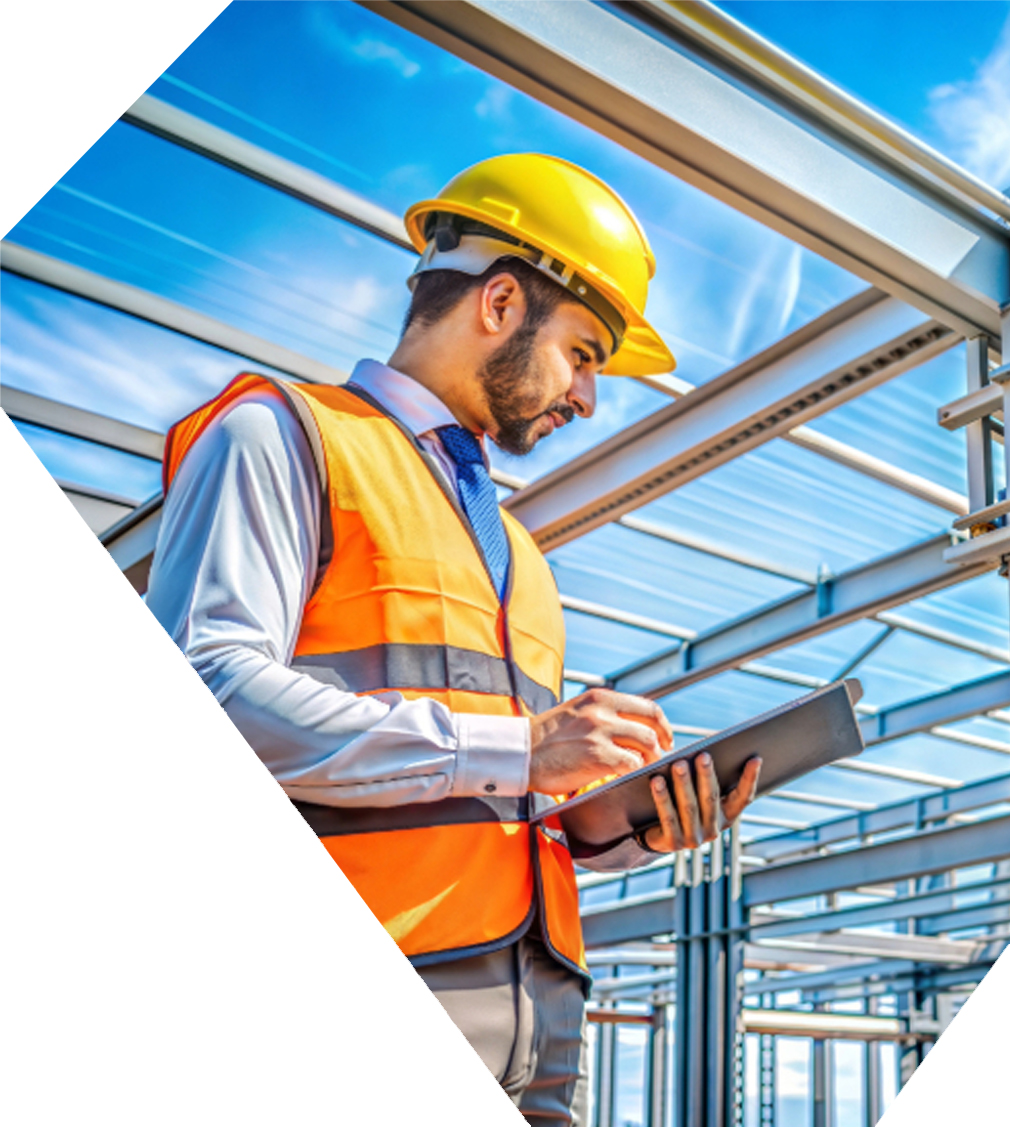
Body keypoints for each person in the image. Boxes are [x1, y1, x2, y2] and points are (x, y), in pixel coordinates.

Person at [147, 153, 760, 1125]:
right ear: (501, 302)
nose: (588, 397)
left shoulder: (520, 553)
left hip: (544, 1020)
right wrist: (523, 744)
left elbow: (496, 797)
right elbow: (208, 691)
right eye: (584, 354)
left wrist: (622, 823)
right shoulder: (285, 436)